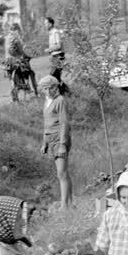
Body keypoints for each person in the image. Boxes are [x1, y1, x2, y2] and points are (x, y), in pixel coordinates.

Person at [39, 75, 73, 209]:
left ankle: (64, 206)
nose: (47, 91)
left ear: (55, 87)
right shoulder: (47, 101)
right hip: (50, 138)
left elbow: (64, 123)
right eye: (45, 89)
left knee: (61, 173)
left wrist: (63, 145)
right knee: (63, 173)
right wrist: (44, 142)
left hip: (59, 139)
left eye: (50, 88)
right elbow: (46, 123)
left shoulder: (60, 100)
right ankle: (70, 202)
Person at [5, 23, 37, 100]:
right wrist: (27, 56)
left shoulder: (7, 38)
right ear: (16, 30)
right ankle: (32, 90)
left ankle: (14, 96)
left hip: (7, 62)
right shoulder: (16, 39)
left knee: (12, 79)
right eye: (18, 31)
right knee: (30, 72)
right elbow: (21, 51)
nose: (18, 32)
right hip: (16, 61)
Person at [44, 17, 67, 90]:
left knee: (53, 77)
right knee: (56, 78)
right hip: (54, 57)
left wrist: (49, 49)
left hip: (58, 57)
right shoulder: (51, 33)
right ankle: (67, 93)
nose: (45, 25)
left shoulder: (55, 32)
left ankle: (66, 93)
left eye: (46, 23)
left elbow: (58, 46)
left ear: (50, 24)